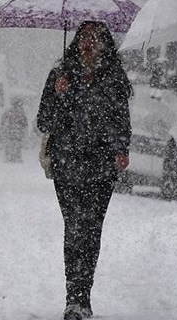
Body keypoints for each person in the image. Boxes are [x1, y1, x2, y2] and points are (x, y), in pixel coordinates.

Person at [36, 21, 132, 320]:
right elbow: (44, 121)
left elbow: (121, 120)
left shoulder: (114, 78)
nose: (89, 43)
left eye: (96, 38)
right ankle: (73, 297)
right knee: (74, 227)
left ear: (105, 44)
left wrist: (121, 149)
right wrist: (59, 94)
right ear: (76, 42)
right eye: (84, 38)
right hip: (67, 163)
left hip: (101, 166)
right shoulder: (60, 75)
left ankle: (83, 295)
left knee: (91, 230)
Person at [0, 97, 28, 162]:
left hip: (13, 131)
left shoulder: (10, 111)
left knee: (12, 145)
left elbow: (3, 119)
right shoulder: (20, 112)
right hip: (15, 131)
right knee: (15, 145)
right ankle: (14, 157)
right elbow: (25, 123)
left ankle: (12, 157)